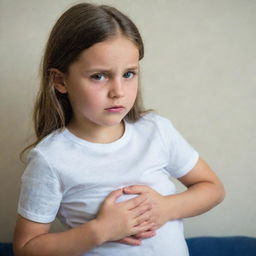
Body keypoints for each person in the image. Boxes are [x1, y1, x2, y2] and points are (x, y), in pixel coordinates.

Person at [13, 2, 225, 256]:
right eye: (99, 76)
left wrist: (166, 208)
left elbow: (212, 188)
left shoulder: (156, 131)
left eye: (128, 74)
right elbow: (26, 248)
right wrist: (100, 230)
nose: (118, 92)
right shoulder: (51, 158)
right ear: (60, 81)